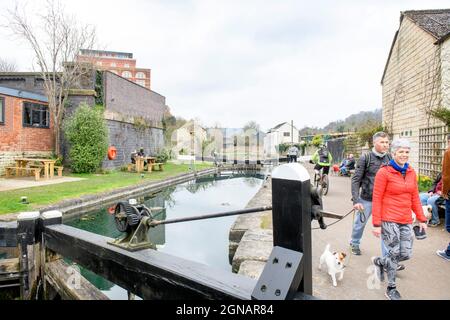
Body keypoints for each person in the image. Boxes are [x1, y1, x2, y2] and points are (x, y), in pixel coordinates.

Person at [371, 138, 428, 300]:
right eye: (401, 151)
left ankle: (380, 262)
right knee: (394, 252)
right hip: (388, 218)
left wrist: (422, 219)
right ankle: (391, 288)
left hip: (405, 219)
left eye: (407, 152)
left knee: (406, 253)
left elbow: (415, 197)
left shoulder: (411, 172)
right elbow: (377, 198)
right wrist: (376, 224)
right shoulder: (384, 172)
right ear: (394, 153)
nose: (404, 155)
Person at [350, 132, 392, 256]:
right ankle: (355, 243)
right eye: (382, 142)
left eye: (387, 142)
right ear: (374, 143)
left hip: (384, 201)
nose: (385, 145)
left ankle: (388, 256)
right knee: (359, 224)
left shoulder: (390, 158)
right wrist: (356, 200)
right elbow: (356, 179)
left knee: (386, 227)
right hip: (367, 199)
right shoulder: (365, 158)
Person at [436, 133, 450, 261]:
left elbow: (446, 175)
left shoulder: (448, 152)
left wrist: (444, 193)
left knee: (449, 226)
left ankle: (449, 253)